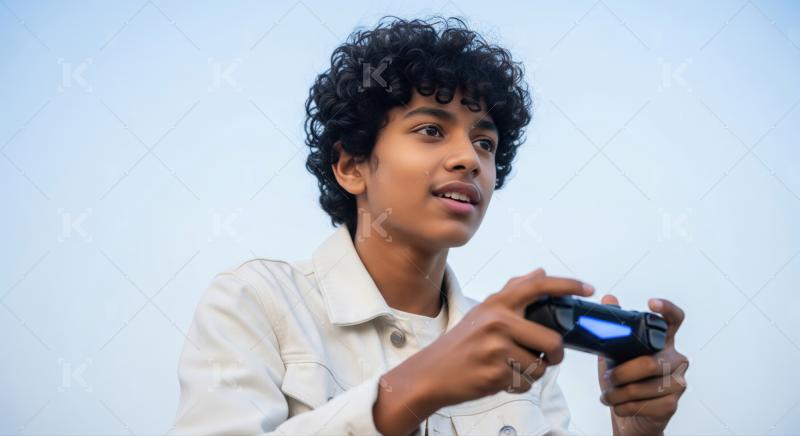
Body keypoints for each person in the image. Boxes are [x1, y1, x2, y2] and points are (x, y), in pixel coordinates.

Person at [172, 16, 689, 436]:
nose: (469, 158)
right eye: (430, 130)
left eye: (485, 143)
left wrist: (636, 433)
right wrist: (413, 387)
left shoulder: (520, 353)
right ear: (351, 165)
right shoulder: (254, 302)